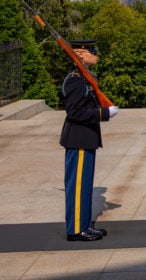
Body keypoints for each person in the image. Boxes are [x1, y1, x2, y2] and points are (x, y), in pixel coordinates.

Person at [60, 39, 118, 242]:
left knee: (84, 186)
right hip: (79, 139)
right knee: (77, 187)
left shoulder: (82, 78)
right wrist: (104, 113)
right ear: (81, 54)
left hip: (85, 138)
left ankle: (83, 225)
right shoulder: (76, 80)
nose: (97, 55)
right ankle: (76, 230)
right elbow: (75, 112)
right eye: (94, 52)